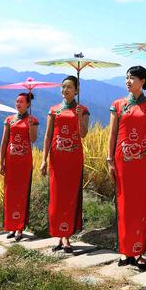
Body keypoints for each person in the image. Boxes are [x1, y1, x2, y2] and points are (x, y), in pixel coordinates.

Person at [107, 66, 146, 270]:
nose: (128, 81)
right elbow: (112, 134)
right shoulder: (118, 104)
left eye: (133, 78)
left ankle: (138, 252)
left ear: (144, 81)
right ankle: (124, 250)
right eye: (127, 77)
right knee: (124, 203)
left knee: (140, 203)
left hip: (142, 160)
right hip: (122, 159)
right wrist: (109, 158)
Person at [41, 75, 90, 253]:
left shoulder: (83, 110)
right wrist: (43, 159)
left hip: (73, 159)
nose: (65, 90)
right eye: (63, 87)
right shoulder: (54, 110)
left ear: (76, 90)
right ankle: (59, 235)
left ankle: (67, 236)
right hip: (56, 159)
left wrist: (78, 118)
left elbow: (83, 134)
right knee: (57, 196)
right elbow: (47, 136)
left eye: (69, 87)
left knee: (70, 196)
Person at [0, 92, 39, 241]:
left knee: (22, 193)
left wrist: (30, 127)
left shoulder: (32, 120)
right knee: (10, 193)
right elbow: (4, 142)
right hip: (10, 161)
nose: (18, 104)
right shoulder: (9, 120)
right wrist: (2, 161)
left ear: (28, 104)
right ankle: (11, 225)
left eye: (21, 102)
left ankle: (20, 228)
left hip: (24, 162)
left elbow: (33, 139)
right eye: (16, 101)